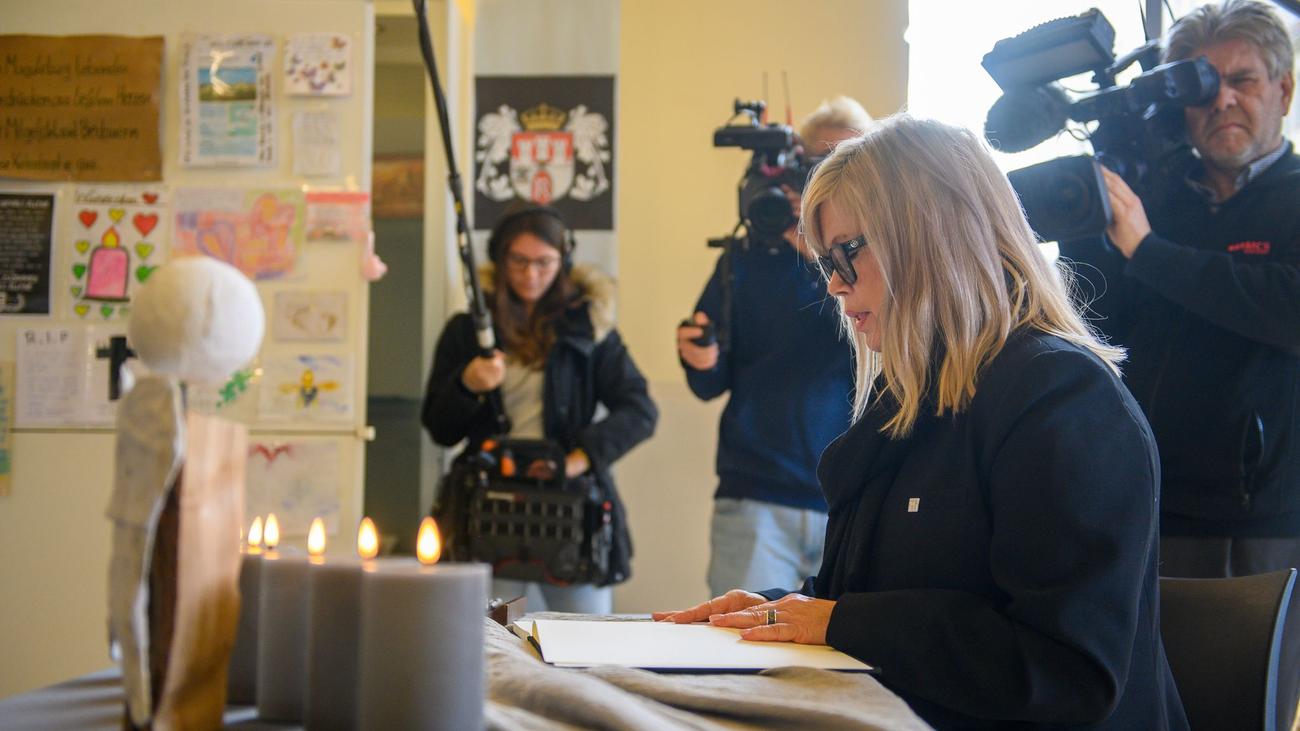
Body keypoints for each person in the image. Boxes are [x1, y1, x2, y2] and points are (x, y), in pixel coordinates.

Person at [656, 115, 1188, 729]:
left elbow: (1067, 672)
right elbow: (868, 598)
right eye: (827, 262)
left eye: (847, 254)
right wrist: (776, 610)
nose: (834, 285)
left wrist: (835, 620)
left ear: (932, 235)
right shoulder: (917, 394)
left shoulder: (1063, 399)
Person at [1060, 0, 1300, 579]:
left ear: (1284, 90)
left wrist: (1148, 252)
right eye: (1204, 87)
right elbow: (1094, 327)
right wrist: (1089, 210)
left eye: (1243, 80)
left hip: (1261, 524)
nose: (1222, 100)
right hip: (1143, 504)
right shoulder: (1155, 204)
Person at [677, 96, 870, 597]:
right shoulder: (745, 257)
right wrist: (698, 357)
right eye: (817, 163)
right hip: (756, 494)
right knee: (737, 639)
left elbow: (878, 358)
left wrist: (820, 255)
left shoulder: (878, 261)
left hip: (852, 496)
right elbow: (708, 382)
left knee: (842, 643)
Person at [422, 204, 658, 613]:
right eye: (519, 261)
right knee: (488, 634)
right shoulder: (469, 330)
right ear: (500, 259)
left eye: (544, 262)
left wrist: (579, 459)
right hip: (488, 506)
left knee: (586, 637)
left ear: (563, 260)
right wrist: (467, 385)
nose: (531, 274)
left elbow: (640, 410)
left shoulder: (590, 327)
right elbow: (439, 427)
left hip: (570, 507)